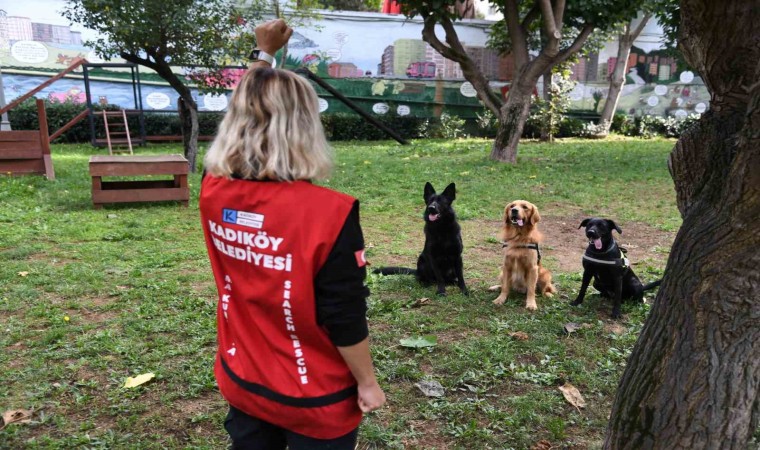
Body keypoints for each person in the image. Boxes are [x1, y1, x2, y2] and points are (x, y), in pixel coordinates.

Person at [199, 19, 386, 450]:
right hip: (314, 399)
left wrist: (263, 56)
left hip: (244, 380)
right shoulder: (329, 214)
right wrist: (368, 382)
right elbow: (343, 314)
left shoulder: (213, 191)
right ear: (304, 127)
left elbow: (243, 109)